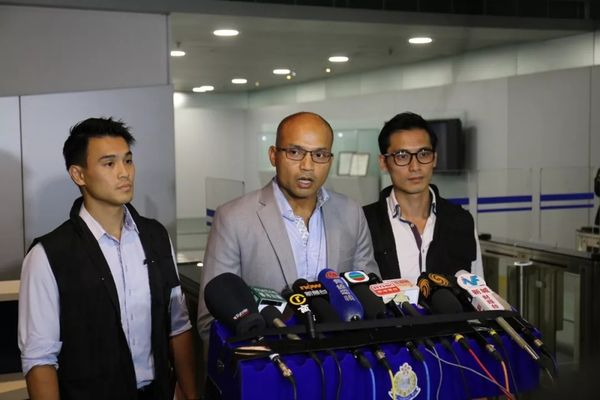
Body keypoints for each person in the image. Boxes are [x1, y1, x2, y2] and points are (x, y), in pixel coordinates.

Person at [18, 118, 199, 400]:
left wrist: (191, 393)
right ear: (78, 174)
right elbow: (39, 358)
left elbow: (178, 325)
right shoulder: (48, 255)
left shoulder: (156, 236)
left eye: (128, 161)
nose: (124, 172)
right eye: (109, 163)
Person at [197, 111, 378, 338]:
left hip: (341, 352)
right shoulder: (233, 218)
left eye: (319, 154)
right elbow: (210, 321)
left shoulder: (351, 213)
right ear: (274, 156)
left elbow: (370, 296)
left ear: (330, 160)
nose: (307, 165)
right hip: (271, 355)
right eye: (295, 152)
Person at [363, 112, 483, 283]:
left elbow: (476, 286)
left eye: (424, 154)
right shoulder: (364, 223)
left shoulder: (461, 221)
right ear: (383, 163)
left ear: (435, 159)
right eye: (402, 156)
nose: (415, 167)